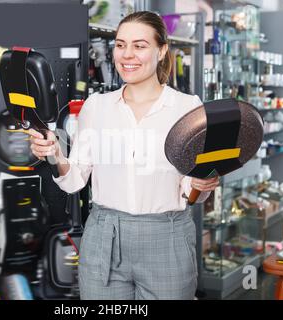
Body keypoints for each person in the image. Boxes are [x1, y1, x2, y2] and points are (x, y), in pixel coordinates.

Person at [29, 11, 219, 300]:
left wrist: (202, 186)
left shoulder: (187, 107)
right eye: (120, 45)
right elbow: (74, 180)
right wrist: (54, 154)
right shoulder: (97, 106)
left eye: (140, 46)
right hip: (104, 236)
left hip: (167, 238)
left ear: (162, 50)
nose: (127, 55)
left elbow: (191, 188)